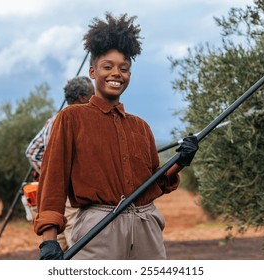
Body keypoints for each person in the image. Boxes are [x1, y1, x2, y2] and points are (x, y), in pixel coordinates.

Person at [33, 12, 199, 260]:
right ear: (92, 71)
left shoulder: (140, 127)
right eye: (107, 67)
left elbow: (154, 183)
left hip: (146, 227)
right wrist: (49, 241)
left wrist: (181, 161)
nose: (116, 73)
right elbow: (53, 181)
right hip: (97, 228)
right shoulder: (71, 118)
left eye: (124, 68)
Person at [25, 75, 94, 251]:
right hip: (73, 193)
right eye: (92, 93)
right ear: (81, 98)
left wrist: (51, 176)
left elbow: (32, 152)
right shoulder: (79, 122)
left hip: (54, 194)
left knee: (59, 241)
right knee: (76, 237)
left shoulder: (53, 120)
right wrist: (62, 175)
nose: (96, 97)